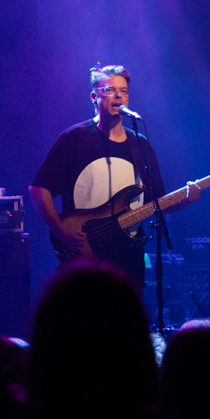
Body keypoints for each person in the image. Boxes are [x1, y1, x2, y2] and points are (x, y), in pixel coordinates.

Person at [29, 63, 199, 291]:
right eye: (110, 89)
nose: (118, 95)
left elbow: (157, 203)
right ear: (94, 97)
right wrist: (61, 230)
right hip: (85, 257)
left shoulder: (141, 145)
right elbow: (39, 188)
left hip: (129, 260)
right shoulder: (75, 138)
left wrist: (186, 200)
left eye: (124, 91)